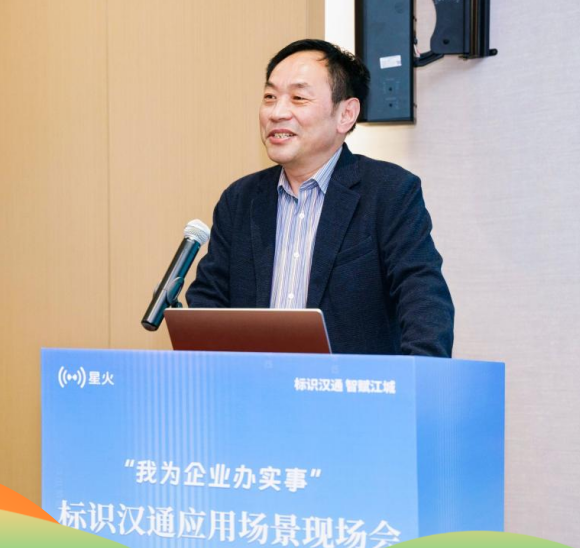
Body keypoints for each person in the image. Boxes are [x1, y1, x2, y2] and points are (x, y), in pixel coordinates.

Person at [186, 39, 454, 356]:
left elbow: (423, 299)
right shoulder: (240, 200)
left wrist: (417, 378)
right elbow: (209, 301)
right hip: (255, 384)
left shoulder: (388, 191)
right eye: (270, 97)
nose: (277, 112)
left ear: (346, 114)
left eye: (298, 98)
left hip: (349, 386)